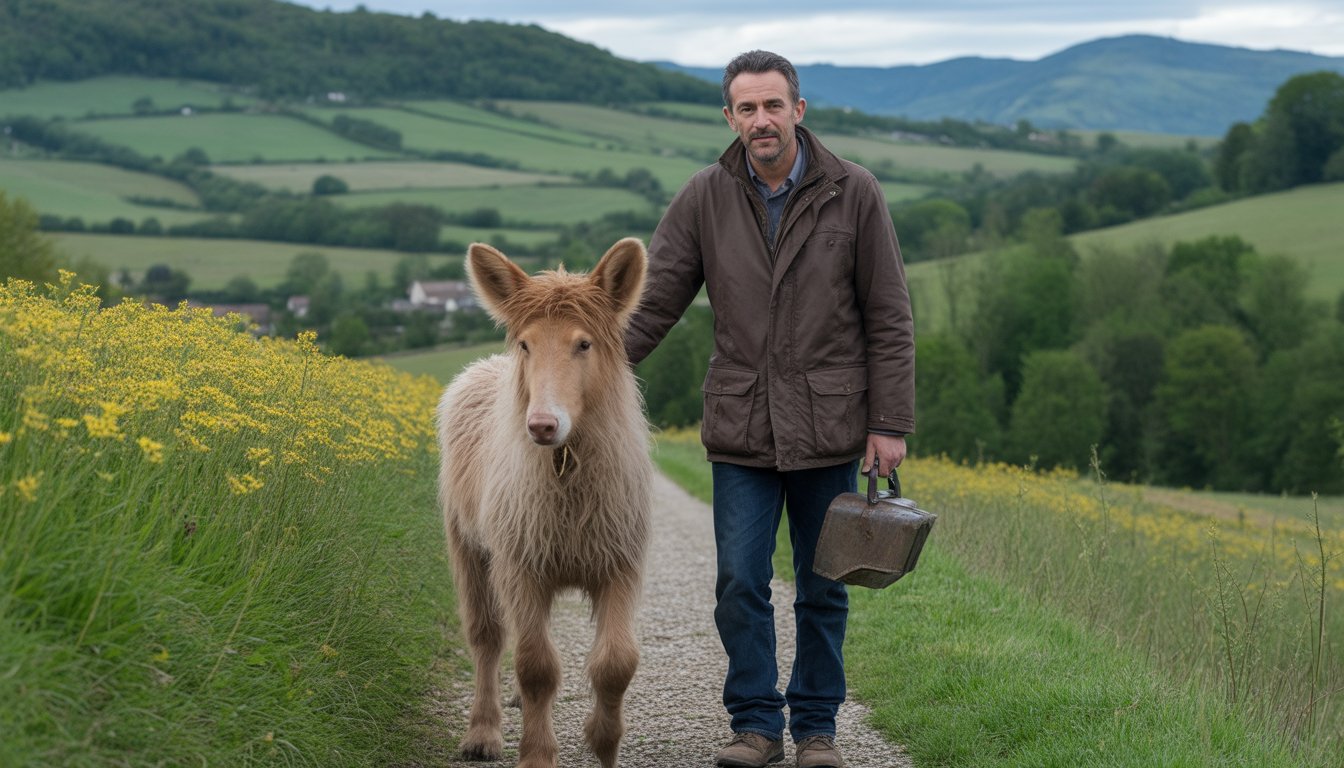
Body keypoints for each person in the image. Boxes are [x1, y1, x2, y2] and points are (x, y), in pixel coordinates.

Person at [624, 50, 915, 768]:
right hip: (741, 428)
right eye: (747, 108)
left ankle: (816, 729)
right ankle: (754, 725)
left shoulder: (856, 192)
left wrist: (891, 424)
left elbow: (889, 316)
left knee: (823, 588)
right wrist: (581, 373)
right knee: (739, 582)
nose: (761, 120)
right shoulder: (703, 196)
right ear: (730, 117)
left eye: (773, 105)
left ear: (799, 111)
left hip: (831, 427)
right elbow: (653, 305)